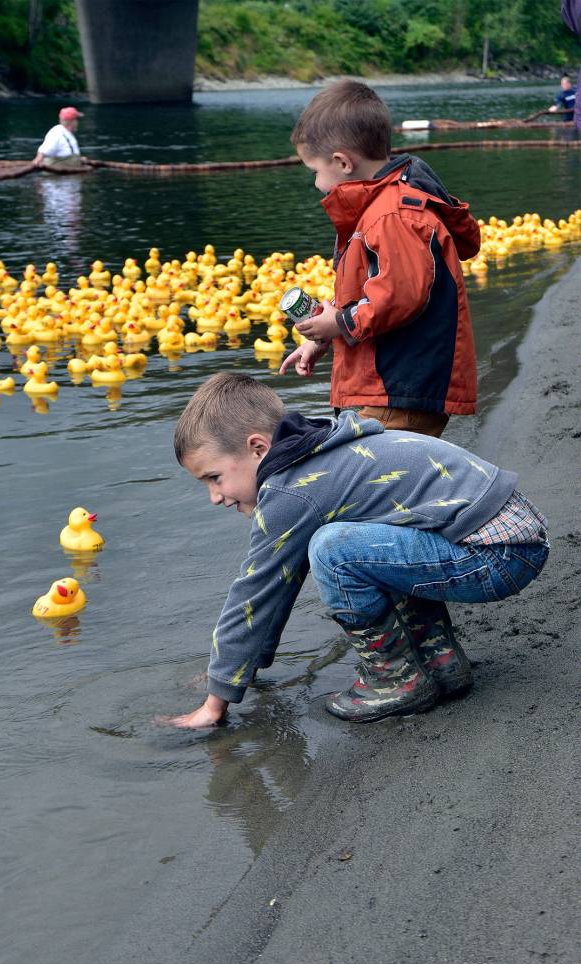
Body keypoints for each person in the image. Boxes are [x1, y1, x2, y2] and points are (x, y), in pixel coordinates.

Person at [165, 372, 548, 729]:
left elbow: (256, 592)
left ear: (258, 448)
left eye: (214, 478)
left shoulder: (288, 492)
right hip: (510, 539)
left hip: (496, 554)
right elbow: (278, 586)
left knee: (333, 549)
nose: (215, 497)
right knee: (369, 541)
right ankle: (441, 661)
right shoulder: (321, 448)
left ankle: (394, 679)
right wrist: (234, 672)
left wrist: (215, 703)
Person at [279, 80, 481, 439]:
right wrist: (325, 335)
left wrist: (339, 324)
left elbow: (398, 297)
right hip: (391, 389)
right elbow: (375, 292)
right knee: (384, 482)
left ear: (342, 161)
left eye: (315, 171)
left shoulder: (392, 216)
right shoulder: (378, 209)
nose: (316, 184)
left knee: (386, 484)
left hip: (399, 388)